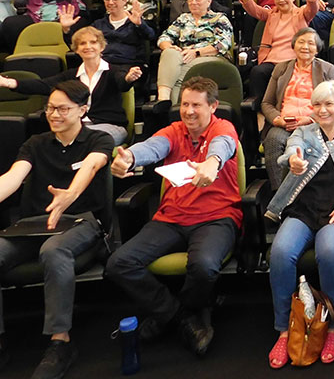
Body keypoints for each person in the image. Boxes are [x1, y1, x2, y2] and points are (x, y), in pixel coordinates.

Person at [106, 77, 241, 357]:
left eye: (196, 105)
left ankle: (175, 313)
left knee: (203, 266)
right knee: (119, 263)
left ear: (213, 106)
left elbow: (224, 146)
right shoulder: (174, 131)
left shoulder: (223, 128)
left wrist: (211, 164)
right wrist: (129, 157)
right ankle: (182, 317)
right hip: (171, 218)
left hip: (216, 217)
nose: (189, 111)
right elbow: (152, 147)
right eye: (185, 104)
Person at [0, 81, 113, 378]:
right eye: (51, 108)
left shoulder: (98, 139)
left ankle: (60, 342)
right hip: (33, 225)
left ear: (82, 110)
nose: (54, 114)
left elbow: (90, 167)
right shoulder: (35, 143)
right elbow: (13, 178)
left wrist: (69, 196)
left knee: (54, 250)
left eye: (63, 109)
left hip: (81, 221)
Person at [264, 80, 334, 367]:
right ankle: (284, 329)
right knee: (279, 253)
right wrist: (293, 161)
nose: (323, 109)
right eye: (317, 104)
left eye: (329, 103)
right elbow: (292, 150)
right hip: (304, 211)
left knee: (328, 252)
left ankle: (331, 326)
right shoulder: (304, 132)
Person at [0, 26, 140, 145]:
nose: (88, 46)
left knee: (82, 138)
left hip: (109, 127)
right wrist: (10, 82)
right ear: (77, 49)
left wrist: (128, 79)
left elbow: (123, 82)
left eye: (93, 42)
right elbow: (43, 85)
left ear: (101, 47)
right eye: (83, 44)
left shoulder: (114, 71)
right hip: (75, 127)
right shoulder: (71, 75)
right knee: (44, 141)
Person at [261, 28, 334, 189]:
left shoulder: (327, 69)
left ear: (317, 49)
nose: (305, 47)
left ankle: (312, 192)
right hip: (284, 123)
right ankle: (280, 195)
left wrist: (310, 119)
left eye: (310, 43)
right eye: (301, 42)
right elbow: (266, 103)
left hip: (315, 123)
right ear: (293, 46)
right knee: (273, 140)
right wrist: (277, 119)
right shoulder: (281, 68)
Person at [237, 0, 317, 104]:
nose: (282, 0)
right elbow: (251, 7)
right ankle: (260, 110)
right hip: (271, 60)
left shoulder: (302, 13)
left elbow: (312, 4)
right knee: (257, 72)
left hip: (294, 60)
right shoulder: (270, 14)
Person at [156, 0, 233, 103]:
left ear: (209, 1)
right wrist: (170, 47)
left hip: (211, 56)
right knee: (169, 53)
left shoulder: (219, 19)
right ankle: (163, 98)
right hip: (184, 55)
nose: (193, 2)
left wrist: (197, 52)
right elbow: (164, 37)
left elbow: (222, 44)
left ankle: (172, 109)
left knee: (180, 72)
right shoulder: (183, 18)